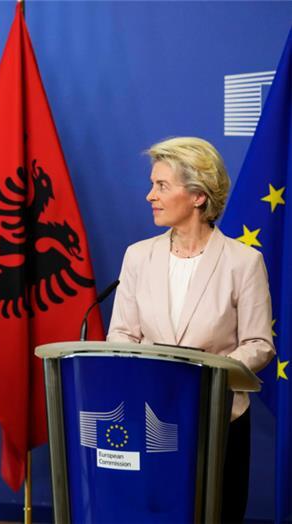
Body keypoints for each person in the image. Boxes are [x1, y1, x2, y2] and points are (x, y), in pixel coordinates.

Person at [107, 137, 274, 523]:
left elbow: (258, 345)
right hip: (150, 414)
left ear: (198, 196)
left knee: (217, 511)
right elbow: (121, 335)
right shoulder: (137, 256)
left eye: (161, 186)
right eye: (152, 184)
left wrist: (200, 375)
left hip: (218, 418)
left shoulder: (243, 262)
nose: (150, 195)